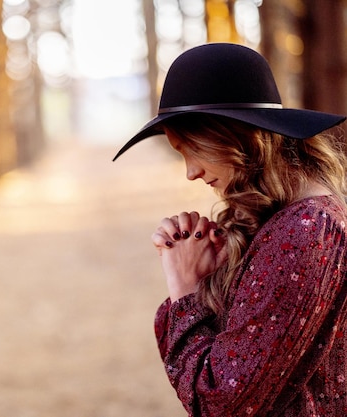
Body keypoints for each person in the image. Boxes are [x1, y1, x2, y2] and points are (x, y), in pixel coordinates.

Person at [113, 43, 347, 416]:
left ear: (236, 135)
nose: (191, 171)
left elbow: (219, 402)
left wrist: (186, 289)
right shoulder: (285, 222)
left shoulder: (304, 231)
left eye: (192, 148)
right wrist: (210, 277)